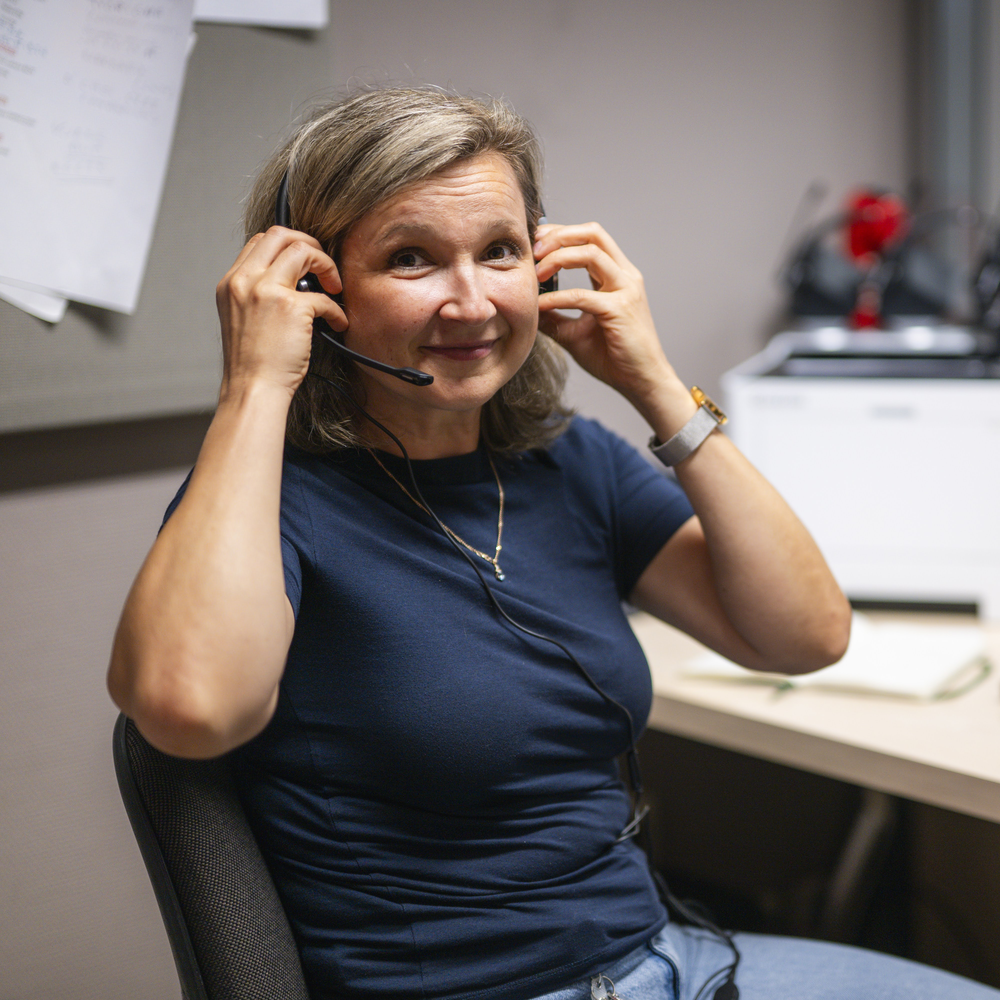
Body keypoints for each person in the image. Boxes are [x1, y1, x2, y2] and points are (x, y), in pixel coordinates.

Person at [107, 87, 996, 1000]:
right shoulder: (271, 502)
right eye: (410, 258)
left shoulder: (569, 462)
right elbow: (187, 709)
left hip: (665, 966)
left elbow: (805, 636)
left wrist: (655, 383)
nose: (472, 302)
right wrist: (255, 383)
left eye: (498, 251)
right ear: (313, 288)